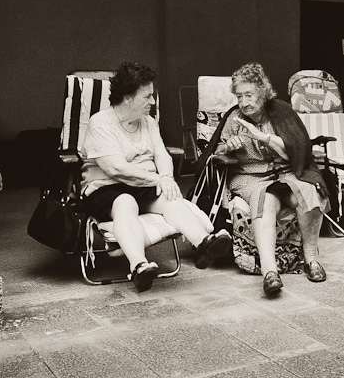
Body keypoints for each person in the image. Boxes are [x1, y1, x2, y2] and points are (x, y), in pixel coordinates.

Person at [81, 62, 232, 291]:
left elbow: (162, 154)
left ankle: (203, 244)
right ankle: (138, 266)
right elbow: (116, 168)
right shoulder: (100, 123)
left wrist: (167, 177)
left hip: (143, 184)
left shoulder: (148, 122)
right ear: (128, 98)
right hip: (106, 188)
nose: (152, 101)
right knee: (126, 202)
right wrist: (157, 180)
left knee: (170, 198)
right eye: (147, 96)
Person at [214, 62, 330, 296]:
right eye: (239, 96)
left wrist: (263, 137)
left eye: (249, 95)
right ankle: (270, 272)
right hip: (250, 176)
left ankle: (311, 260)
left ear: (262, 92)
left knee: (309, 192)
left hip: (286, 173)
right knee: (264, 198)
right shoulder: (234, 118)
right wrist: (228, 146)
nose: (243, 102)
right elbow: (217, 151)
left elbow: (297, 150)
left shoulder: (282, 112)